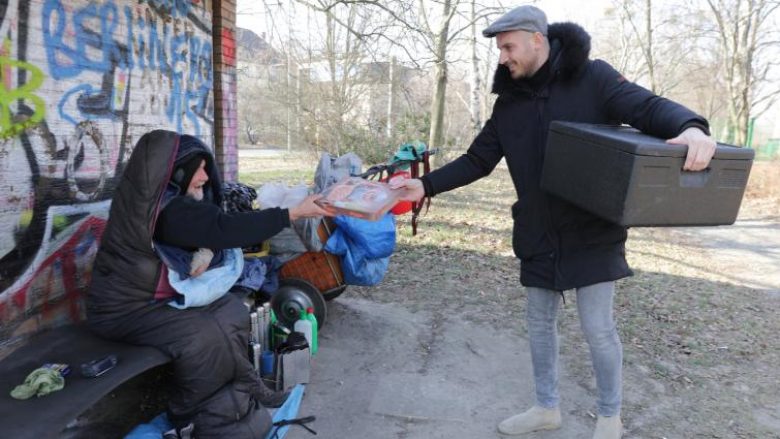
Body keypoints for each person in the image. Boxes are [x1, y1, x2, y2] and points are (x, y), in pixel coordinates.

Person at [392, 5, 716, 439]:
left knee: (598, 329)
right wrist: (425, 186)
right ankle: (547, 408)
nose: (503, 57)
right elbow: (478, 159)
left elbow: (648, 107)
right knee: (540, 324)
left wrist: (691, 127)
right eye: (500, 49)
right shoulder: (510, 102)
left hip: (592, 228)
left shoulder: (594, 78)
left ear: (537, 40)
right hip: (538, 229)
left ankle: (608, 417)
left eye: (508, 46)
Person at [86, 131, 330, 439]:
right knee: (201, 336)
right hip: (124, 310)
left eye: (205, 167)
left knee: (231, 309)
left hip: (156, 298)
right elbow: (220, 228)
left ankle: (246, 388)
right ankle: (202, 420)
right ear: (173, 173)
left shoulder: (158, 201)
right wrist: (292, 213)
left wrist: (207, 249)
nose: (205, 176)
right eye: (196, 169)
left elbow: (206, 229)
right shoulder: (165, 211)